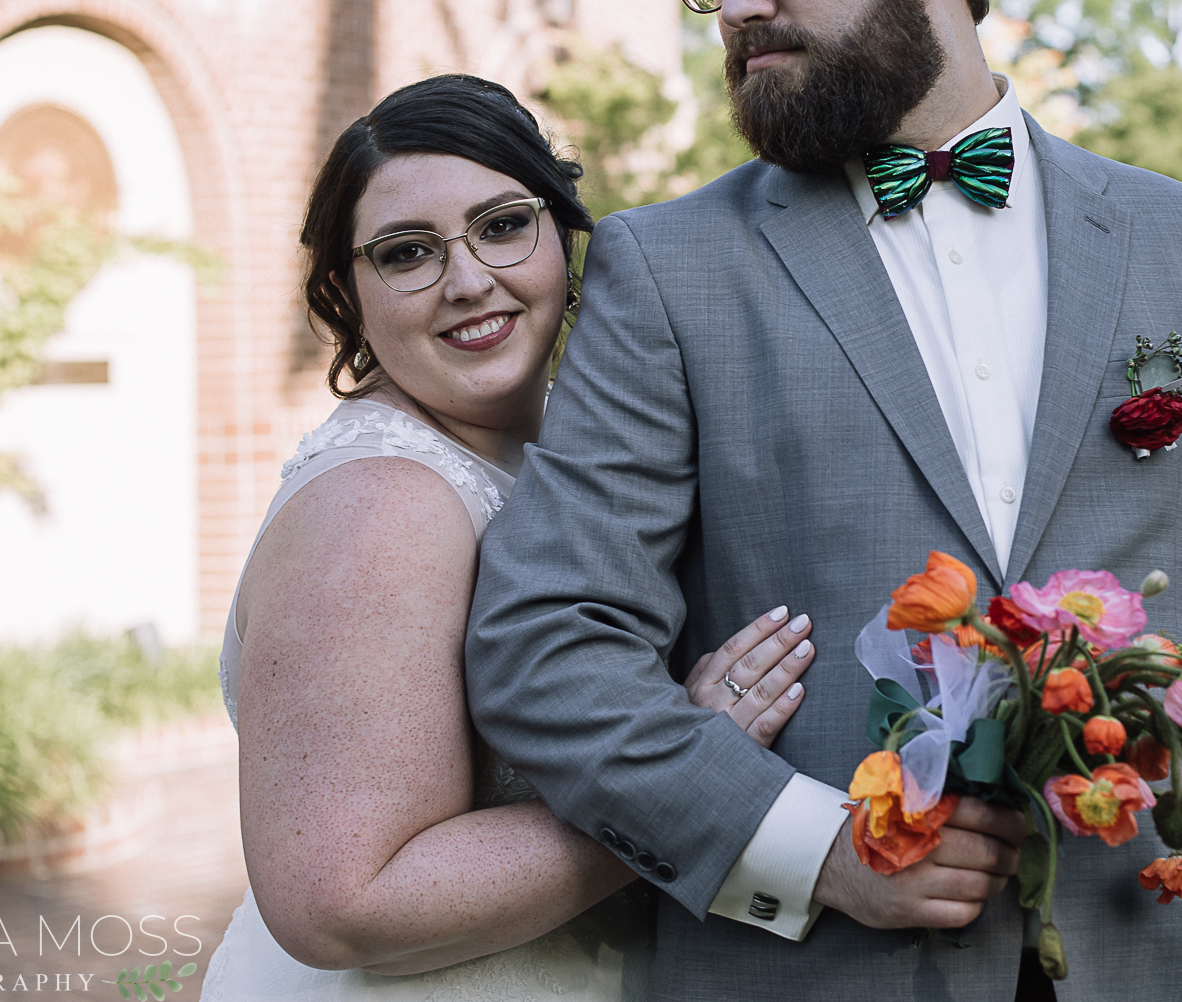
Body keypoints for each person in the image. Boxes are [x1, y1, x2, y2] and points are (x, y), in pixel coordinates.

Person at [465, 0, 1182, 1001]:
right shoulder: (666, 270)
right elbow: (543, 645)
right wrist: (812, 850)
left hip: (1173, 957)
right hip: (811, 969)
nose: (738, 3)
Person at [203, 75, 819, 1001]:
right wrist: (688, 779)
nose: (468, 280)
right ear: (345, 289)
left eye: (501, 225)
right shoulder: (382, 504)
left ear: (561, 236)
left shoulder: (567, 452)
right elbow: (341, 901)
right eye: (408, 252)